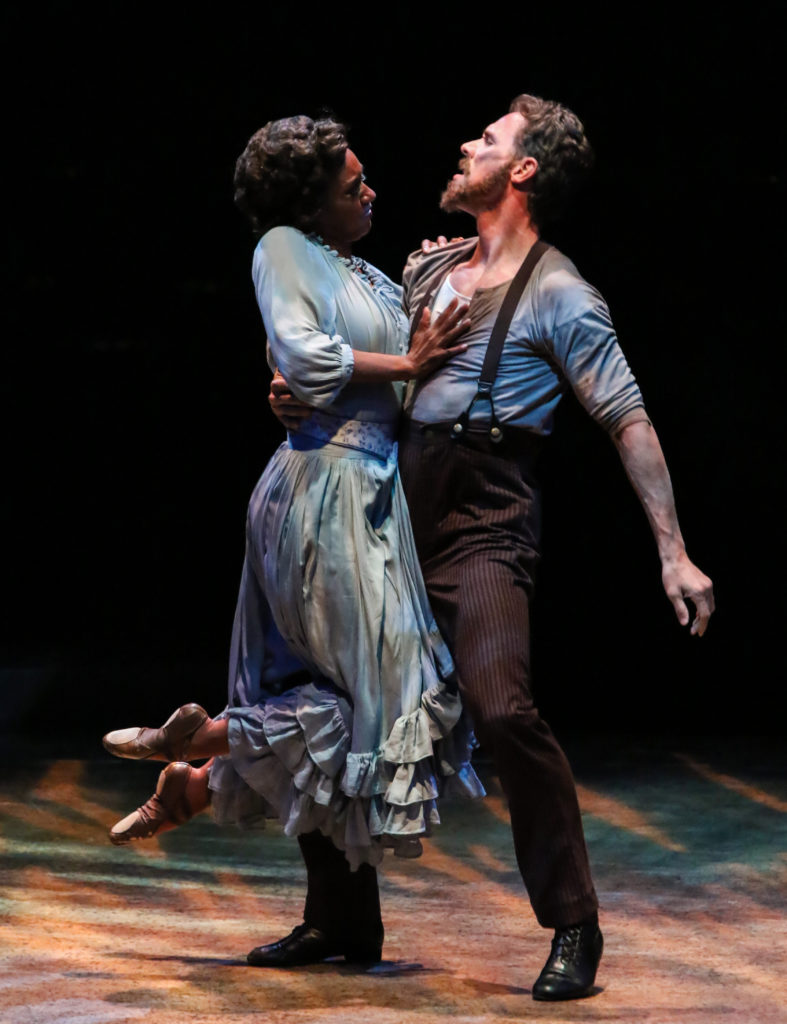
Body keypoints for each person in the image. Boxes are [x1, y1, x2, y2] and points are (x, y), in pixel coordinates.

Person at [269, 94, 715, 1001]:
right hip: (394, 502)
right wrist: (298, 399)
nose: (465, 144)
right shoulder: (429, 270)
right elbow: (382, 383)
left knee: (501, 705)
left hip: (484, 518)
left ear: (520, 173)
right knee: (331, 700)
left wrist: (673, 551)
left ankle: (574, 923)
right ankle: (342, 914)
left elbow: (627, 420)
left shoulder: (560, 295)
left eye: (488, 139)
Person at [102, 114, 483, 967]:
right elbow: (311, 360)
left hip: (367, 490)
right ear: (309, 202)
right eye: (352, 185)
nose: (371, 190)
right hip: (324, 494)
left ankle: (231, 793)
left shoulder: (364, 273)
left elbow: (370, 372)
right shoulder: (282, 245)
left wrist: (415, 336)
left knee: (367, 704)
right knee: (356, 700)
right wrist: (399, 366)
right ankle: (210, 761)